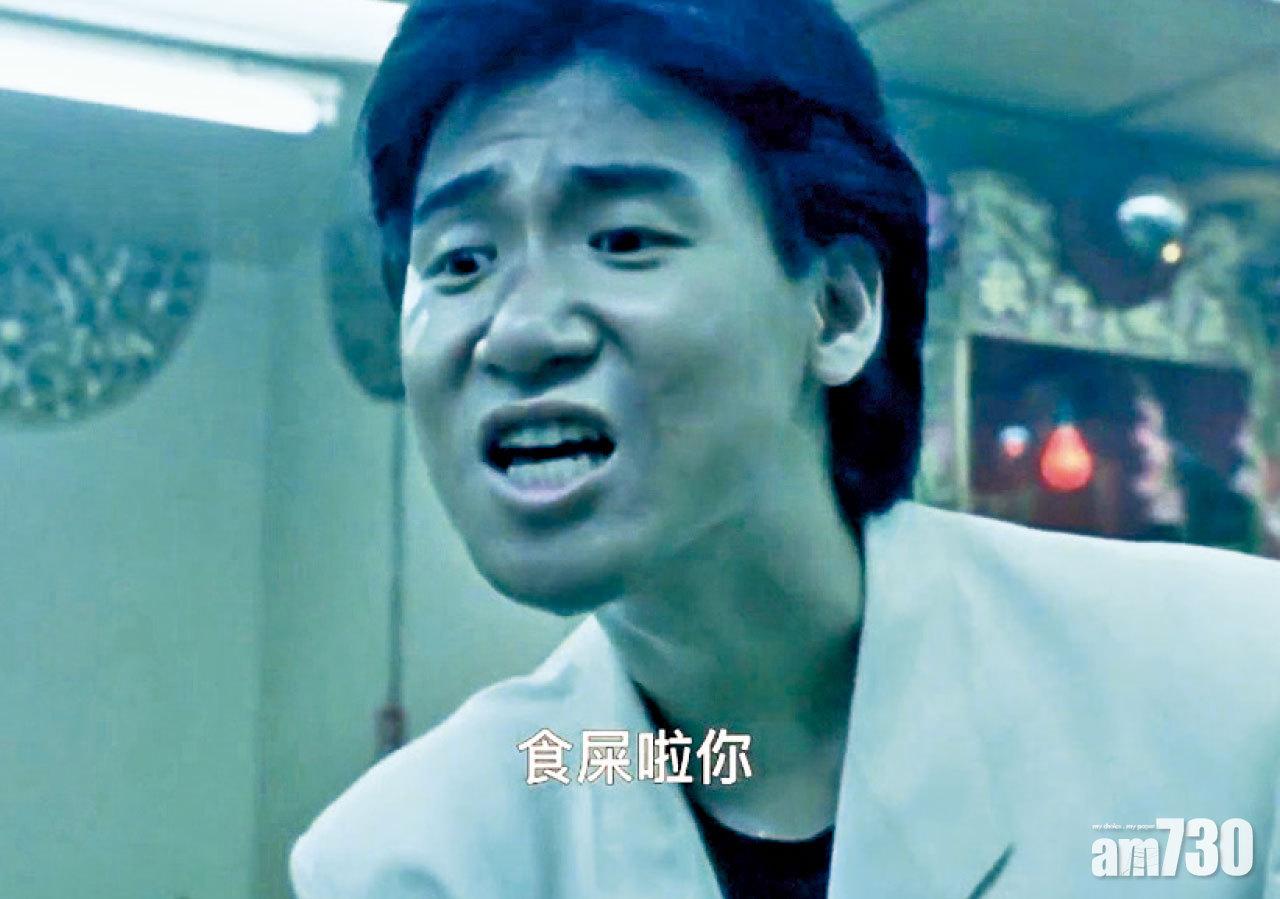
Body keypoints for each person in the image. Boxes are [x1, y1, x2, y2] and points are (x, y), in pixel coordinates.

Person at [291, 1, 1280, 896]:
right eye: (462, 260)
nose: (518, 332)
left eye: (624, 239)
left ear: (838, 308)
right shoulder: (409, 858)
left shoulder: (1236, 687)